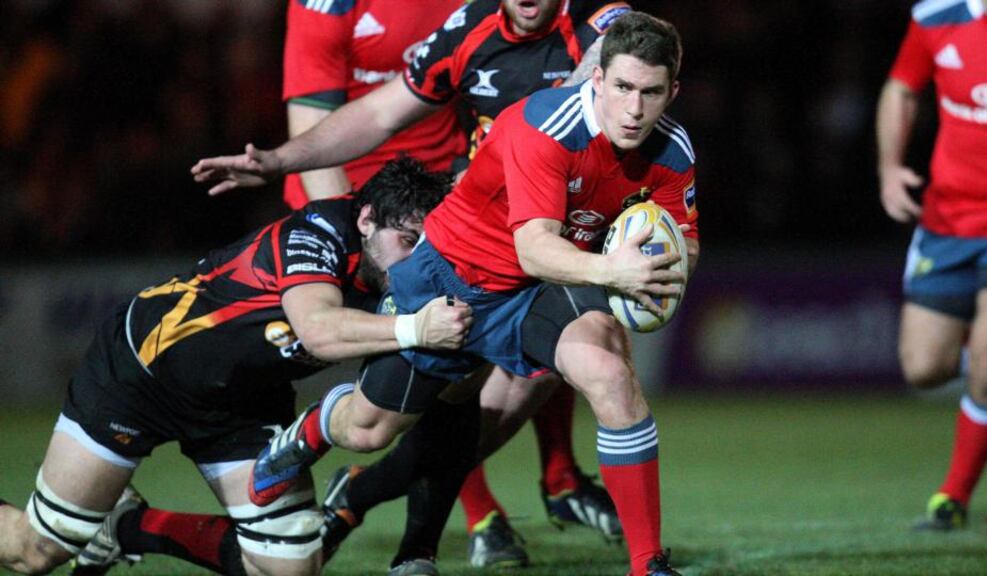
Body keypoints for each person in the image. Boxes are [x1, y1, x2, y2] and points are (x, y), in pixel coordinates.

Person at [199, 12, 698, 576]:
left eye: (651, 93)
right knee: (372, 429)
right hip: (451, 279)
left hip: (536, 291)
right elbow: (534, 244)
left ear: (671, 92)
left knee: (605, 370)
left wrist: (661, 273)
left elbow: (682, 242)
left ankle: (645, 563)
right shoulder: (539, 117)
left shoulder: (668, 145)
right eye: (624, 89)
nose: (634, 109)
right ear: (598, 81)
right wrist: (280, 161)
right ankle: (314, 434)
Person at [0, 158, 470, 576]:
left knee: (290, 567)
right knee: (37, 552)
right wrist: (416, 330)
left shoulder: (406, 274)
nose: (414, 260)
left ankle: (124, 526)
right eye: (407, 241)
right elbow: (319, 329)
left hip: (245, 401)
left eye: (424, 247)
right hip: (143, 371)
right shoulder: (316, 233)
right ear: (366, 220)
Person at [876, 0, 987, 530]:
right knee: (924, 367)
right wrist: (891, 170)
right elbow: (900, 87)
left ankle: (952, 500)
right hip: (947, 220)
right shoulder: (936, 17)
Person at [281, 0, 465, 207]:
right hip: (353, 188)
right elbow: (311, 119)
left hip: (444, 181)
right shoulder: (327, 5)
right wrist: (344, 223)